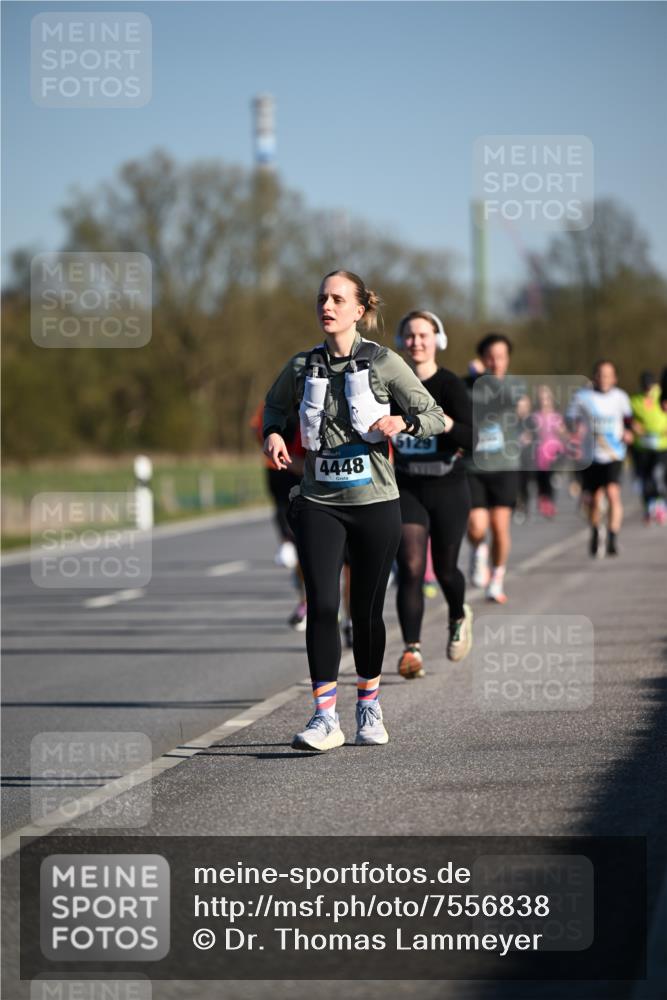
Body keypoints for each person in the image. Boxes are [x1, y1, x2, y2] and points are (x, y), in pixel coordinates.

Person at [263, 270, 446, 752]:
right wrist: (275, 433)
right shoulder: (302, 365)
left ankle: (368, 704)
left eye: (337, 299)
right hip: (319, 502)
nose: (327, 305)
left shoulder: (385, 363)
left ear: (359, 309)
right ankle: (325, 717)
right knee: (323, 605)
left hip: (376, 504)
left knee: (364, 612)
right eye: (322, 297)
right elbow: (273, 408)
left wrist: (401, 420)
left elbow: (432, 415)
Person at [392, 310, 474, 678]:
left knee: (444, 570)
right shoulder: (389, 385)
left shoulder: (450, 385)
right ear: (401, 342)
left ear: (437, 339)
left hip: (448, 486)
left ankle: (458, 614)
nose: (416, 342)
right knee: (410, 566)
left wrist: (443, 422)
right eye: (410, 336)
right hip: (407, 485)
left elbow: (473, 441)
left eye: (423, 335)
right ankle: (412, 650)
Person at [465, 333, 528, 603]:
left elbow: (522, 408)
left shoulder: (515, 385)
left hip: (505, 465)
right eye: (491, 356)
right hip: (474, 466)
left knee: (500, 527)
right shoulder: (467, 385)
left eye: (501, 357)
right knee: (477, 527)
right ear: (482, 358)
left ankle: (497, 577)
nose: (496, 361)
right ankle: (478, 552)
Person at [249, 402, 308, 629]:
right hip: (282, 472)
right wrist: (271, 445)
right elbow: (256, 428)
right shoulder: (274, 399)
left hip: (314, 473)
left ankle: (344, 614)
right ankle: (306, 602)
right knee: (300, 548)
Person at [567, 360, 633, 556]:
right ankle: (596, 531)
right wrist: (574, 433)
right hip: (591, 455)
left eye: (608, 375)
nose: (604, 379)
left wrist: (628, 433)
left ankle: (613, 536)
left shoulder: (620, 397)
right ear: (594, 376)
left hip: (614, 454)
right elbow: (570, 420)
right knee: (594, 500)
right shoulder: (582, 397)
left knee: (613, 493)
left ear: (614, 378)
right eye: (600, 374)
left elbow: (628, 421)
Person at [630, 371, 667, 524]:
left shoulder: (662, 394)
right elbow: (627, 418)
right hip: (642, 446)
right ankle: (648, 508)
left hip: (662, 444)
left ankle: (661, 507)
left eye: (649, 387)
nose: (647, 390)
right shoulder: (634, 400)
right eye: (645, 387)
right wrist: (633, 426)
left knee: (657, 475)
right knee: (644, 480)